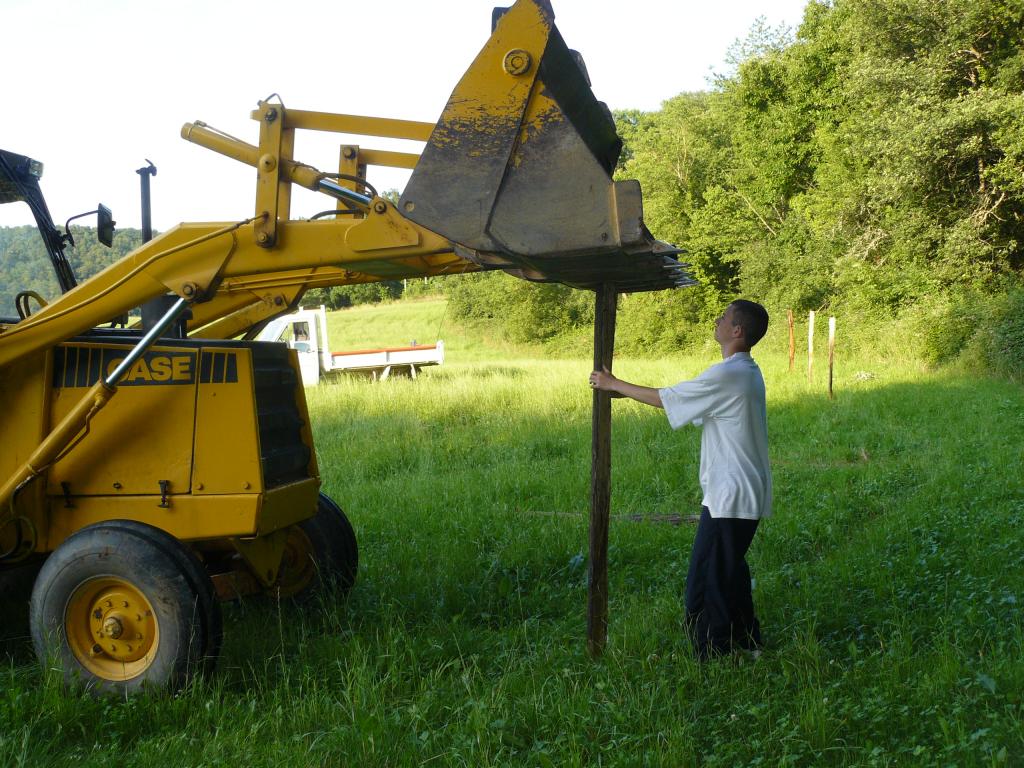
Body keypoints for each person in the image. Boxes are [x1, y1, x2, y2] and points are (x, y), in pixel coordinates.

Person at [589, 299, 772, 660]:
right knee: (729, 572)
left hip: (731, 495)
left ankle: (714, 654)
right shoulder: (746, 371)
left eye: (723, 317)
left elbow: (666, 399)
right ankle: (747, 643)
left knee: (705, 583)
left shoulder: (730, 374)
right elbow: (684, 402)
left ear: (737, 331)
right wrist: (621, 389)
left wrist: (613, 382)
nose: (716, 320)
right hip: (742, 492)